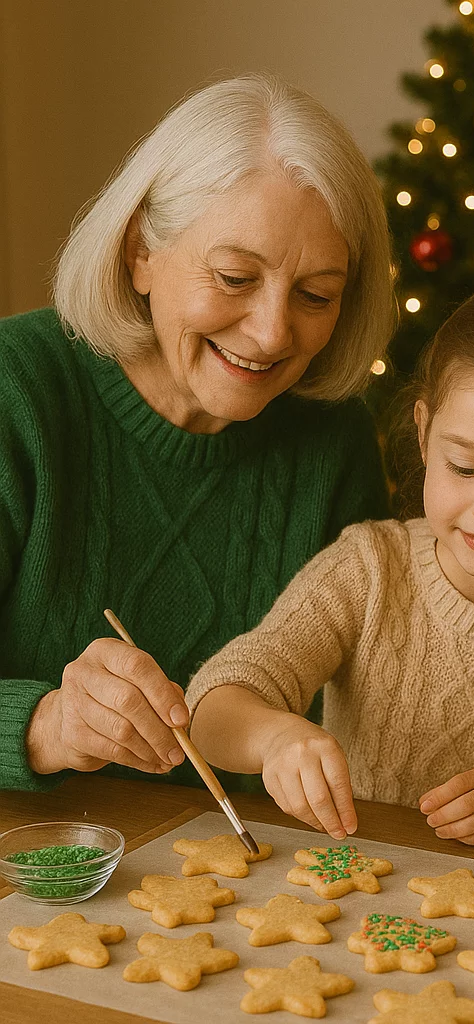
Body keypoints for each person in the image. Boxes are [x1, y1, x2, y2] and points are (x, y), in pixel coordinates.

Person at [0, 74, 395, 793]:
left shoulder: (335, 443)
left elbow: (376, 715)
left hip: (248, 885)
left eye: (316, 295)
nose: (274, 332)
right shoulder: (16, 389)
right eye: (235, 277)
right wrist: (47, 724)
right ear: (139, 252)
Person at [185, 276, 474, 845]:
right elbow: (211, 708)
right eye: (465, 469)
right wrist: (276, 739)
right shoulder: (370, 568)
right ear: (425, 438)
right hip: (350, 882)